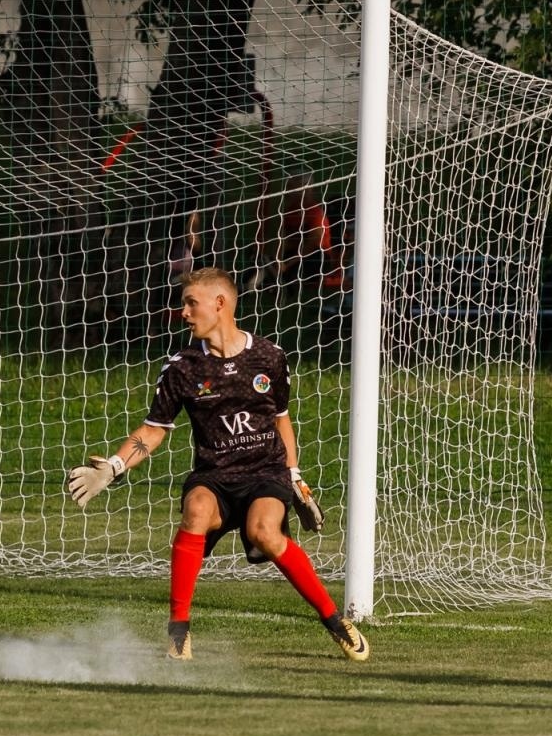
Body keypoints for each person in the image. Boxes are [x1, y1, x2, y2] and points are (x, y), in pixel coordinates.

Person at [67, 266, 370, 662]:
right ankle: (178, 631)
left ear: (220, 304)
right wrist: (114, 466)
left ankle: (334, 622)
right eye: (184, 305)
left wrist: (296, 479)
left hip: (265, 472)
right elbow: (154, 429)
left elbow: (281, 419)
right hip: (213, 474)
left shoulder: (269, 356)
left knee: (264, 531)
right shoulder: (182, 367)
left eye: (192, 303)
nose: (185, 312)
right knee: (195, 511)